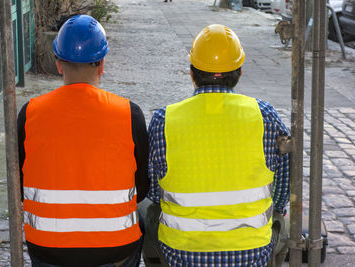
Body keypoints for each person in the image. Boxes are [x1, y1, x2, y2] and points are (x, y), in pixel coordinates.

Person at [146, 24, 290, 266]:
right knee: (282, 217)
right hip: (252, 253)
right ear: (240, 72)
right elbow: (283, 189)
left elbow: (152, 191)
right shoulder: (265, 115)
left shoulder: (163, 120)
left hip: (181, 253)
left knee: (147, 212)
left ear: (192, 73)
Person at [17, 15, 149, 267]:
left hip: (47, 247)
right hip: (114, 248)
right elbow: (141, 188)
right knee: (141, 220)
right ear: (101, 65)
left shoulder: (29, 113)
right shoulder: (129, 113)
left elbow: (21, 183)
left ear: (58, 64)